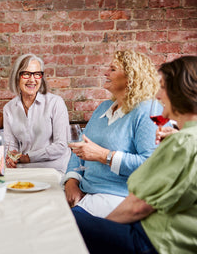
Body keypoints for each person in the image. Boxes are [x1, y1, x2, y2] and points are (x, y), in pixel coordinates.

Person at [73, 55, 197, 254]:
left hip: (154, 240)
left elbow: (138, 207)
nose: (157, 95)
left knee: (64, 222)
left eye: (163, 87)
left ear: (179, 91)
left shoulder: (182, 142)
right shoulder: (184, 139)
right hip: (151, 230)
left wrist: (104, 228)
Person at [63, 50, 162, 218]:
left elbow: (150, 165)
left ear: (131, 78)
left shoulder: (148, 111)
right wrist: (71, 182)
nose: (105, 73)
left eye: (113, 69)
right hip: (85, 193)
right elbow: (79, 148)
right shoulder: (103, 108)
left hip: (118, 199)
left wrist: (104, 155)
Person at [3, 54, 70, 174]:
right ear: (17, 77)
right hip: (23, 169)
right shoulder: (9, 108)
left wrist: (28, 157)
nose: (32, 80)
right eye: (26, 74)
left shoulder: (55, 103)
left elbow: (61, 146)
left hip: (53, 169)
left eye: (37, 74)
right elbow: (10, 145)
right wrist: (10, 156)